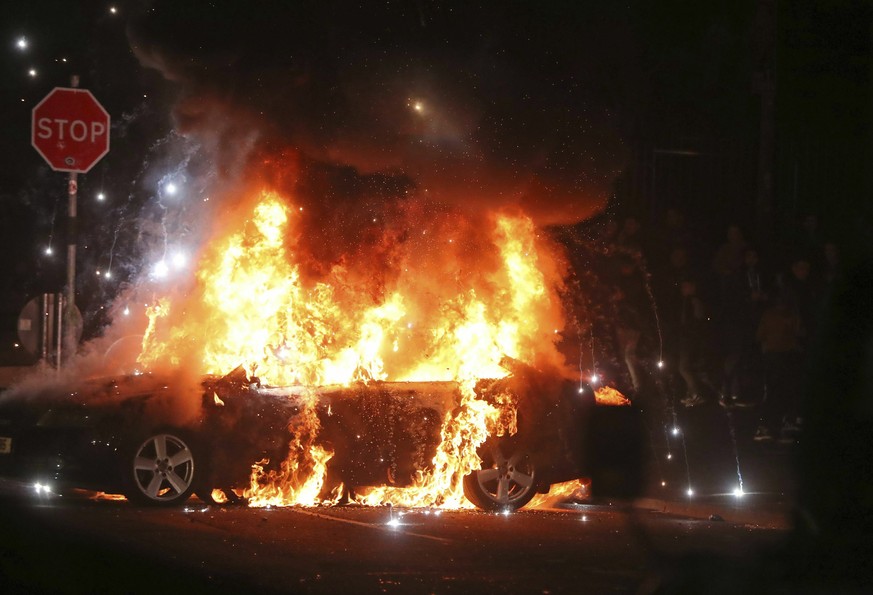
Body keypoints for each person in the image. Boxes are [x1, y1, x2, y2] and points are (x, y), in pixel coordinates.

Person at [754, 291, 804, 442]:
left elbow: (759, 335)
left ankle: (768, 426)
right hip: (788, 355)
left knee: (772, 392)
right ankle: (786, 423)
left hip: (772, 355)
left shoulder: (768, 315)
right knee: (787, 391)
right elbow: (800, 332)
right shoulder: (792, 315)